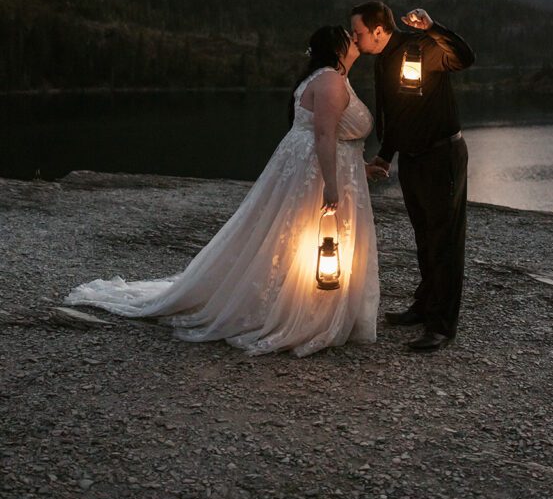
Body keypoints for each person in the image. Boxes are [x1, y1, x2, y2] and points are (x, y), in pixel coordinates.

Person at [64, 26, 381, 358]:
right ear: (336, 48)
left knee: (288, 236)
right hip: (315, 173)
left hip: (308, 167)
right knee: (302, 237)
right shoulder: (329, 80)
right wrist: (331, 186)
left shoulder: (321, 77)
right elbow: (324, 136)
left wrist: (360, 167)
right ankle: (295, 309)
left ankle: (295, 300)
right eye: (349, 37)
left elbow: (332, 137)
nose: (354, 40)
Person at [350, 2, 475, 352]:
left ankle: (442, 326)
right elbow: (394, 114)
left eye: (359, 33)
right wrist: (386, 155)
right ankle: (424, 306)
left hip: (442, 155)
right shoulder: (382, 60)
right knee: (424, 236)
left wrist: (434, 27)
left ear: (378, 30)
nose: (355, 39)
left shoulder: (424, 47)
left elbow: (465, 57)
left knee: (445, 241)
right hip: (413, 159)